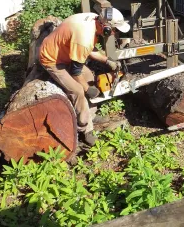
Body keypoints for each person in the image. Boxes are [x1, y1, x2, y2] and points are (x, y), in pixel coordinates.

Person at [39, 8, 130, 146]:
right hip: (52, 59)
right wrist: (88, 89)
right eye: (114, 30)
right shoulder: (84, 37)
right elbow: (76, 72)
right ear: (105, 27)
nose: (114, 34)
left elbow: (90, 50)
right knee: (77, 90)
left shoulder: (94, 19)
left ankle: (90, 115)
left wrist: (107, 61)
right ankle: (84, 128)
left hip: (67, 53)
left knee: (88, 76)